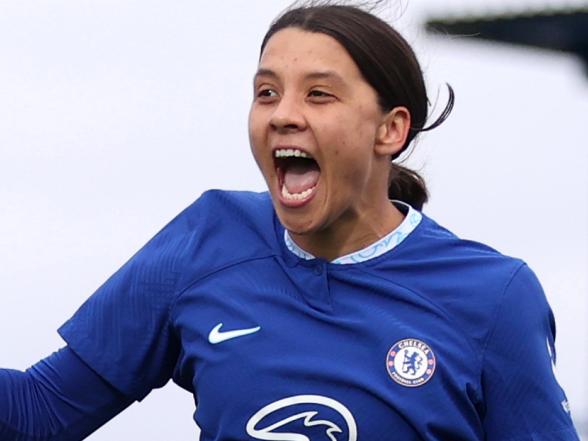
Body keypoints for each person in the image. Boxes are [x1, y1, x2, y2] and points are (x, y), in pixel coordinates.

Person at [0, 2, 581, 440]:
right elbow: (39, 411)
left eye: (319, 95)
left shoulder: (494, 295)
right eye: (267, 92)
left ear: (391, 130)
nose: (283, 115)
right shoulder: (207, 241)